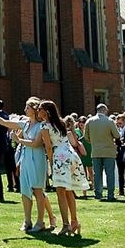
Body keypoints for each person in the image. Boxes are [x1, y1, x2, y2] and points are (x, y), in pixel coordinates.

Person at [0, 98, 52, 232]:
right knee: (25, 190)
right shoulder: (25, 123)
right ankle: (27, 221)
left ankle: (40, 222)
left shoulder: (42, 126)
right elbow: (5, 122)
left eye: (27, 107)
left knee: (37, 190)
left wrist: (19, 140)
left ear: (34, 110)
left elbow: (36, 144)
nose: (25, 110)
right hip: (26, 158)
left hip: (37, 158)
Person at [44, 101, 88, 236]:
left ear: (46, 112)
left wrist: (51, 162)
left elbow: (49, 147)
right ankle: (74, 221)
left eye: (40, 109)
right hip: (70, 155)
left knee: (60, 191)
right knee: (68, 190)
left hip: (60, 157)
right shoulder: (61, 123)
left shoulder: (45, 125)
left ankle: (65, 224)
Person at [84, 103, 121, 201]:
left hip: (95, 150)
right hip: (109, 150)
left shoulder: (89, 121)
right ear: (104, 110)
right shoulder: (109, 121)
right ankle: (110, 194)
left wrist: (93, 142)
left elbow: (86, 137)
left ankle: (98, 193)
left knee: (97, 173)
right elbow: (117, 135)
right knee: (110, 173)